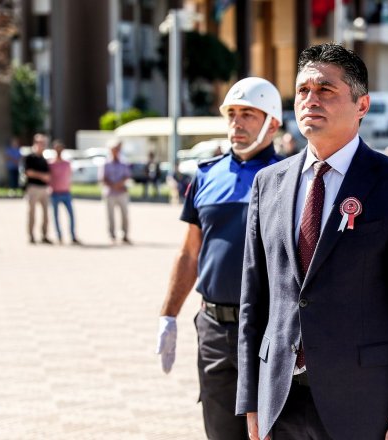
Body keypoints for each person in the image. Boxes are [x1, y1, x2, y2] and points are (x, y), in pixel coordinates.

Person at [237, 43, 388, 440]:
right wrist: (250, 399)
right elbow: (254, 301)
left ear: (362, 104)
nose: (310, 100)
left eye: (325, 90)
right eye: (303, 90)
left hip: (363, 405)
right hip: (279, 401)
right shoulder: (268, 184)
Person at [156, 77, 283, 440]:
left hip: (267, 330)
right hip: (213, 329)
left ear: (272, 123)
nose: (236, 123)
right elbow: (189, 252)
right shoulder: (205, 175)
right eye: (232, 114)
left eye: (248, 114)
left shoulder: (290, 177)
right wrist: (168, 315)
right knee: (220, 432)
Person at [48, 140, 80, 245]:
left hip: (66, 192)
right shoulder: (50, 164)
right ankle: (59, 236)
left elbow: (69, 176)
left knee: (71, 215)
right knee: (56, 216)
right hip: (55, 193)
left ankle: (73, 236)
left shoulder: (67, 163)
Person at [23, 134, 53, 245]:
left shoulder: (44, 159)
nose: (42, 145)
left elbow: (48, 174)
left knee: (46, 214)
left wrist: (47, 177)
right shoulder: (30, 158)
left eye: (44, 143)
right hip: (33, 188)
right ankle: (31, 235)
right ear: (35, 143)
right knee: (32, 213)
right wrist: (42, 176)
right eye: (40, 143)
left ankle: (44, 235)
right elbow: (28, 172)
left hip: (44, 188)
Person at [101, 139, 131, 244]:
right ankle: (112, 235)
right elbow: (103, 178)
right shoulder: (106, 164)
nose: (115, 152)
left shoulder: (123, 163)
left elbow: (127, 176)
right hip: (110, 193)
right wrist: (113, 185)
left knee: (124, 215)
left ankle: (125, 234)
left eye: (117, 149)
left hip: (122, 192)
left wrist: (120, 184)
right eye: (114, 150)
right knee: (110, 216)